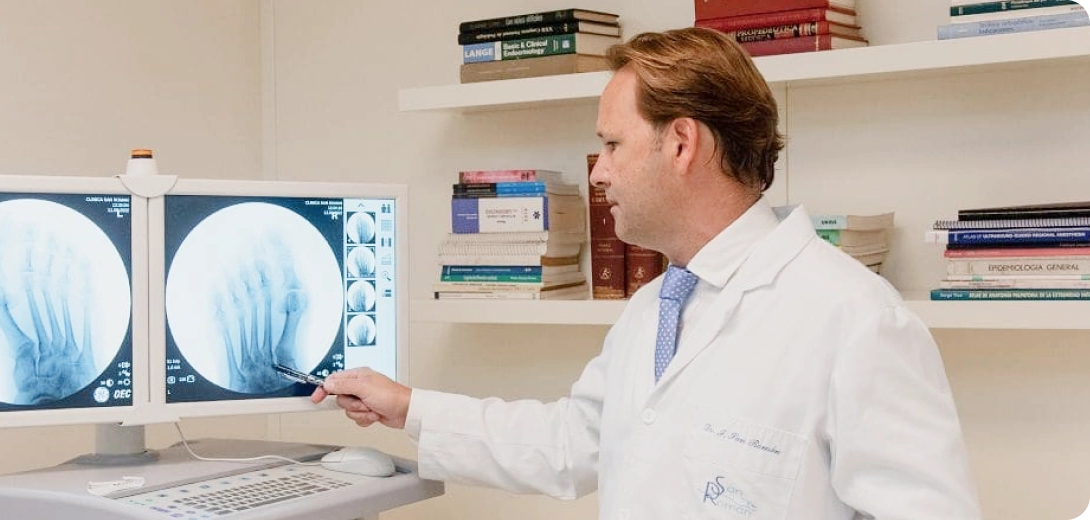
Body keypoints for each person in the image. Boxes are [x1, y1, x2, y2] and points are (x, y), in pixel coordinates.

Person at [312, 27, 981, 519]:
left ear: (683, 143)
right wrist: (409, 408)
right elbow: (575, 441)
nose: (598, 171)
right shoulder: (658, 305)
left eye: (611, 144)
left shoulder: (856, 320)